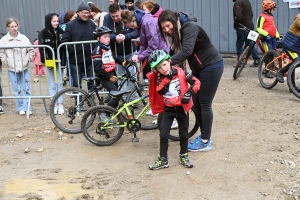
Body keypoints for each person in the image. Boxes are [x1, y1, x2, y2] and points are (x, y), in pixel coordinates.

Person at [158, 10, 224, 152]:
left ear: (175, 21)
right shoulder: (179, 32)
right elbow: (174, 52)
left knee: (205, 103)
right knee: (195, 102)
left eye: (168, 26)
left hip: (211, 66)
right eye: (163, 28)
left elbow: (187, 51)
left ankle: (206, 140)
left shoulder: (189, 28)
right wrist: (159, 60)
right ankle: (203, 135)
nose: (167, 30)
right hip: (199, 69)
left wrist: (167, 63)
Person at [146, 50, 200, 170]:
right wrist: (168, 78)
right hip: (168, 110)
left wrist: (189, 93)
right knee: (164, 135)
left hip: (181, 108)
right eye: (159, 68)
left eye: (164, 64)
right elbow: (160, 90)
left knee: (184, 134)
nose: (163, 69)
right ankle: (163, 159)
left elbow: (196, 82)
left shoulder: (181, 72)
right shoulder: (159, 78)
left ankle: (184, 155)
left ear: (169, 61)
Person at [120, 9, 169, 80]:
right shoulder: (142, 24)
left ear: (134, 19)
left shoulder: (147, 23)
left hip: (162, 55)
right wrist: (138, 54)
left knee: (164, 81)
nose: (133, 28)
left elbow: (153, 46)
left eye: (132, 25)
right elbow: (146, 45)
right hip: (158, 54)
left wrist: (140, 57)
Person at [103, 3, 139, 100]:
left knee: (132, 76)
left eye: (117, 16)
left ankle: (133, 98)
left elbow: (136, 31)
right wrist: (115, 37)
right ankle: (124, 98)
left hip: (130, 51)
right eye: (113, 16)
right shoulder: (107, 18)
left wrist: (126, 37)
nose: (115, 18)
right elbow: (104, 32)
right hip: (117, 54)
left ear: (120, 11)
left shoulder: (128, 14)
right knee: (121, 77)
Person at [0, 18, 34, 115]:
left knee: (26, 88)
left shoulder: (24, 38)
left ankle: (27, 106)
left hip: (24, 67)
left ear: (18, 26)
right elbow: (1, 52)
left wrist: (27, 59)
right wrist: (6, 61)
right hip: (12, 68)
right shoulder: (3, 40)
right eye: (12, 27)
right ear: (8, 28)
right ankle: (20, 108)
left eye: (15, 26)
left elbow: (31, 49)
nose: (14, 28)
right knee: (16, 89)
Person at [62, 1, 96, 92]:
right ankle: (78, 103)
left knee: (91, 82)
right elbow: (65, 40)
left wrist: (94, 51)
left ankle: (91, 100)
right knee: (77, 83)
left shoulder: (92, 24)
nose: (86, 15)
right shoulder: (70, 25)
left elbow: (96, 39)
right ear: (78, 13)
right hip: (76, 60)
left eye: (87, 13)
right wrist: (72, 51)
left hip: (89, 59)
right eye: (83, 13)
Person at [39, 13, 66, 115]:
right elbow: (42, 48)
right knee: (51, 83)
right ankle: (54, 103)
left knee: (59, 82)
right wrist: (46, 60)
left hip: (59, 61)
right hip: (49, 61)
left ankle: (60, 103)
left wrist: (63, 61)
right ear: (49, 22)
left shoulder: (61, 31)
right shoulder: (43, 32)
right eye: (54, 21)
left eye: (57, 21)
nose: (56, 23)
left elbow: (63, 47)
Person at [91, 26, 123, 109]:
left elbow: (112, 58)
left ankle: (112, 113)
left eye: (108, 36)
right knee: (117, 95)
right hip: (104, 76)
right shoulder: (98, 50)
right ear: (98, 39)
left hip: (112, 73)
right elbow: (97, 68)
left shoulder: (107, 48)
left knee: (115, 96)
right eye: (105, 37)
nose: (108, 39)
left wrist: (122, 62)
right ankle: (105, 113)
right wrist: (109, 77)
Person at [233, 0, 260, 68]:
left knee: (239, 44)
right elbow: (251, 14)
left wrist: (236, 23)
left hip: (242, 26)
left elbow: (238, 16)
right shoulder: (247, 1)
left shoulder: (238, 2)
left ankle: (240, 61)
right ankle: (257, 59)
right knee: (250, 44)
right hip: (249, 26)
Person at [276, 13, 300, 83]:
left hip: (296, 46)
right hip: (291, 45)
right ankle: (280, 72)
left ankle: (292, 86)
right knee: (297, 61)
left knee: (294, 62)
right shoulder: (299, 17)